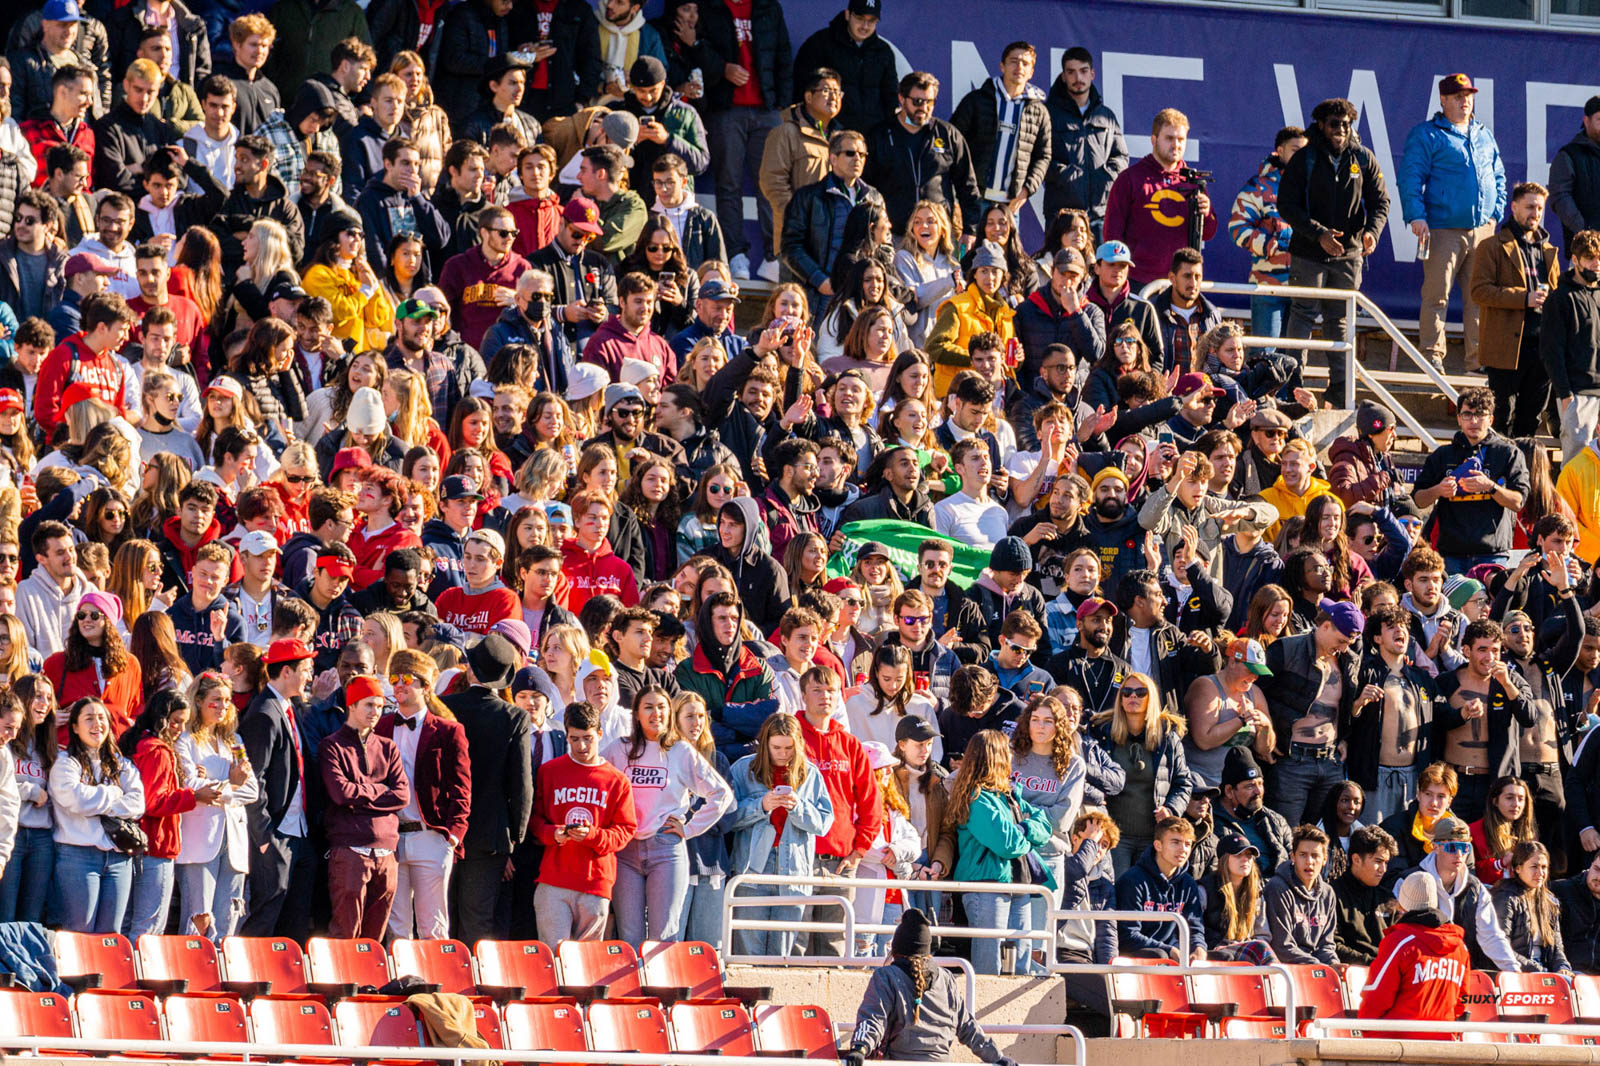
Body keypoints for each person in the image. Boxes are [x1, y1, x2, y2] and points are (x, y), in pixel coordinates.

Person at [1276, 97, 1390, 407]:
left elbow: (1381, 202)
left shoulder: (1364, 158)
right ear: (1321, 125)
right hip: (1309, 253)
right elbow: (1286, 205)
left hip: (1349, 255)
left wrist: (1372, 232)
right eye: (1333, 124)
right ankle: (1291, 385)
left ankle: (1340, 391)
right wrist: (1318, 233)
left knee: (1340, 320)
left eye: (1345, 123)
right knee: (1301, 314)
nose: (1340, 129)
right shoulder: (1305, 159)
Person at [602, 685, 733, 944]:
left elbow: (722, 794)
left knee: (664, 936)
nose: (656, 713)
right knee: (630, 936)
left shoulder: (681, 751)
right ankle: (634, 985)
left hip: (666, 849)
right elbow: (594, 781)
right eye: (648, 707)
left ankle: (659, 985)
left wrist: (690, 828)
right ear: (636, 714)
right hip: (626, 849)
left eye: (662, 707)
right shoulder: (619, 749)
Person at [1399, 74, 1506, 373]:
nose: (1465, 101)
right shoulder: (1427, 134)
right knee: (1437, 294)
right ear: (1443, 100)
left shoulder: (1483, 134)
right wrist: (1416, 215)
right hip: (1442, 228)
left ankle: (1478, 360)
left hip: (1482, 230)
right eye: (1458, 96)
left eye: (1469, 95)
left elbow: (1498, 176)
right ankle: (1432, 356)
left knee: (1480, 299)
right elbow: (1410, 177)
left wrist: (1495, 214)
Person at [441, 632, 532, 944]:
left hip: (442, 827)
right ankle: (471, 990)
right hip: (489, 838)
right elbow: (521, 786)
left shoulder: (444, 706)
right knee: (477, 920)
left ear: (470, 670)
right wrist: (514, 840)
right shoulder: (514, 717)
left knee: (439, 917)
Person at [374, 650, 470, 942]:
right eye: (394, 678)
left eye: (407, 678)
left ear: (426, 686)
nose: (399, 684)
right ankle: (401, 985)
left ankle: (436, 986)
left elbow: (461, 787)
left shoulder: (448, 730)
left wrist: (453, 834)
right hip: (392, 837)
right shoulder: (381, 726)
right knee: (397, 926)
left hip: (431, 835)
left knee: (433, 927)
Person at [842, 908, 1019, 1066]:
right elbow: (968, 1027)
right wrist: (997, 1057)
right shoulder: (947, 979)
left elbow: (872, 1019)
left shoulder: (886, 977)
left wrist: (860, 1048)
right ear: (927, 952)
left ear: (895, 951)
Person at [318, 674, 408, 939]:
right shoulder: (332, 745)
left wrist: (361, 795)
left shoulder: (388, 747)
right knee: (346, 932)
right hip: (350, 848)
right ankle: (346, 981)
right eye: (369, 705)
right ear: (352, 705)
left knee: (375, 937)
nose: (375, 712)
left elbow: (403, 796)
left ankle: (369, 981)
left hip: (387, 850)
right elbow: (341, 793)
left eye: (380, 706)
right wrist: (382, 790)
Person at [237, 638, 314, 939]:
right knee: (266, 913)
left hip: (298, 832)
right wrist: (265, 837)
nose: (311, 675)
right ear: (286, 673)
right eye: (306, 669)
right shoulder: (264, 714)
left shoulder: (288, 709)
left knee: (294, 918)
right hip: (275, 834)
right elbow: (252, 780)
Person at [50, 698, 146, 932]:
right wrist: (114, 792)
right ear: (75, 726)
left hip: (119, 858)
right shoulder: (65, 763)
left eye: (101, 718)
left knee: (110, 936)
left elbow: (137, 803)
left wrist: (99, 801)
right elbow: (76, 800)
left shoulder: (121, 764)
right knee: (79, 932)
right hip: (77, 856)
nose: (97, 724)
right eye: (89, 718)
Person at [1412, 386, 1529, 573]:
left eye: (1480, 415)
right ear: (1459, 418)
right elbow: (1418, 499)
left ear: (1490, 419)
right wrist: (1438, 491)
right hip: (1450, 555)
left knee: (1488, 604)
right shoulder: (1443, 455)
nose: (1473, 421)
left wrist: (1490, 487)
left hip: (1492, 553)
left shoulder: (1508, 453)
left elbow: (1518, 502)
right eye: (1467, 414)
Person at [1358, 870, 1469, 1039]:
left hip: (1396, 1042)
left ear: (1402, 904)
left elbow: (1377, 995)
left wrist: (1365, 1030)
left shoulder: (1400, 942)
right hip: (1442, 1042)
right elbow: (1461, 1000)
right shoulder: (1459, 947)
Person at [1405, 814, 1520, 972]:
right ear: (1435, 847)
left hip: (1461, 970)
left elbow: (1492, 936)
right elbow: (1401, 935)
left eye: (1464, 848)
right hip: (1420, 969)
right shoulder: (1411, 881)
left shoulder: (1475, 888)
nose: (1459, 854)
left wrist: (1514, 971)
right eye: (1452, 847)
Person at [1228, 126, 1307, 343]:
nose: (1301, 157)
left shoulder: (1314, 187)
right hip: (1268, 286)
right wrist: (1271, 245)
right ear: (1280, 151)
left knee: (1295, 358)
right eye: (1294, 150)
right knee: (1265, 355)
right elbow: (1237, 228)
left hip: (1305, 288)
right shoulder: (1259, 187)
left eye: (1305, 151)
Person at [1041, 47, 1126, 235]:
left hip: (1101, 215)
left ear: (1092, 74)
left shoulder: (1106, 116)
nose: (1078, 78)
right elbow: (1039, 158)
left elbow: (1121, 156)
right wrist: (1066, 174)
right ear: (1063, 76)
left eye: (1083, 71)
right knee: (1063, 265)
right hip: (1061, 215)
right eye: (1071, 72)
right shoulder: (1048, 114)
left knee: (1101, 265)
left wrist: (1106, 176)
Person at [757, 67, 842, 244]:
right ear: (808, 97)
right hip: (796, 241)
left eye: (837, 92)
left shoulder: (842, 139)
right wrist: (798, 219)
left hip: (833, 241)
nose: (833, 97)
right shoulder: (785, 132)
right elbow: (772, 182)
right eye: (826, 91)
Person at [1541, 228, 1600, 462]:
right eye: (1590, 258)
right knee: (1577, 466)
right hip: (1577, 395)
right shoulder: (1560, 298)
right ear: (1575, 260)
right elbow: (1550, 351)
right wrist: (1565, 395)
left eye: (1599, 258)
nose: (1596, 264)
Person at [1114, 813, 1206, 962]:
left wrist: (1199, 949)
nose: (1183, 849)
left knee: (1222, 957)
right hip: (1141, 957)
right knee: (1160, 956)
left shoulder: (1188, 883)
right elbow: (1127, 935)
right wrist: (1168, 950)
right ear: (1158, 845)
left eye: (1188, 844)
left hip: (1175, 956)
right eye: (1175, 842)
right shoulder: (1132, 881)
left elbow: (1195, 928)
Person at [1491, 840, 1571, 974]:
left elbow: (1557, 947)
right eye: (1534, 866)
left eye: (1544, 867)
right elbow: (1500, 947)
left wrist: (1562, 967)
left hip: (1543, 971)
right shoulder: (1505, 897)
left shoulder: (1550, 902)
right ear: (1518, 868)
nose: (1540, 873)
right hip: (1516, 972)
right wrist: (1539, 970)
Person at [1264, 824, 1338, 964]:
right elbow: (1282, 947)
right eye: (1303, 855)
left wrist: (1334, 965)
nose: (1309, 861)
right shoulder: (1277, 888)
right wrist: (1319, 967)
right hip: (1287, 970)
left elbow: (1326, 946)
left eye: (1315, 856)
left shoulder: (1328, 893)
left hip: (1316, 968)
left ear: (1324, 860)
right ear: (1293, 857)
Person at [1332, 825, 1399, 964]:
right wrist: (1373, 963)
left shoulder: (1387, 898)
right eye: (1378, 861)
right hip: (1350, 977)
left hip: (1386, 973)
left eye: (1386, 863)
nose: (1383, 869)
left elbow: (1399, 942)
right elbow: (1333, 946)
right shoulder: (1332, 894)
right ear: (1356, 859)